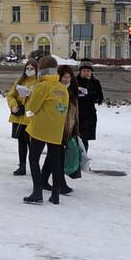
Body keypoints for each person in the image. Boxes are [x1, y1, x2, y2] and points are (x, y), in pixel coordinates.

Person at [23, 56, 69, 205]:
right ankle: (55, 194)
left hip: (41, 129)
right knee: (56, 161)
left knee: (33, 159)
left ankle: (37, 192)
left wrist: (29, 97)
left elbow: (32, 108)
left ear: (41, 70)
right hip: (57, 129)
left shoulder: (42, 86)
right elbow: (63, 109)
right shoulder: (62, 87)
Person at [41, 65, 79, 193]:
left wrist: (75, 128)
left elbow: (75, 113)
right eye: (64, 77)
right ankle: (60, 183)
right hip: (55, 127)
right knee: (58, 156)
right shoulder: (55, 90)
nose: (67, 80)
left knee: (53, 155)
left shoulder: (73, 91)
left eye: (69, 77)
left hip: (68, 128)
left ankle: (43, 179)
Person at [6, 59, 38, 176]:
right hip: (19, 117)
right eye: (27, 68)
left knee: (32, 144)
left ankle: (34, 167)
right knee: (21, 143)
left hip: (31, 118)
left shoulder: (39, 83)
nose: (29, 70)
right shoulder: (20, 81)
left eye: (32, 69)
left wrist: (32, 94)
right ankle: (22, 166)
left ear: (36, 70)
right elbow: (10, 96)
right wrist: (13, 105)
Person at [76, 58, 104, 153]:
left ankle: (83, 159)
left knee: (84, 139)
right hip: (77, 113)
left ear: (91, 72)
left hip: (89, 114)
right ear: (80, 71)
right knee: (75, 138)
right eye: (84, 71)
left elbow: (100, 98)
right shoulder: (75, 81)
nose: (86, 73)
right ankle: (74, 159)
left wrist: (89, 94)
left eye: (88, 71)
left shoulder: (95, 82)